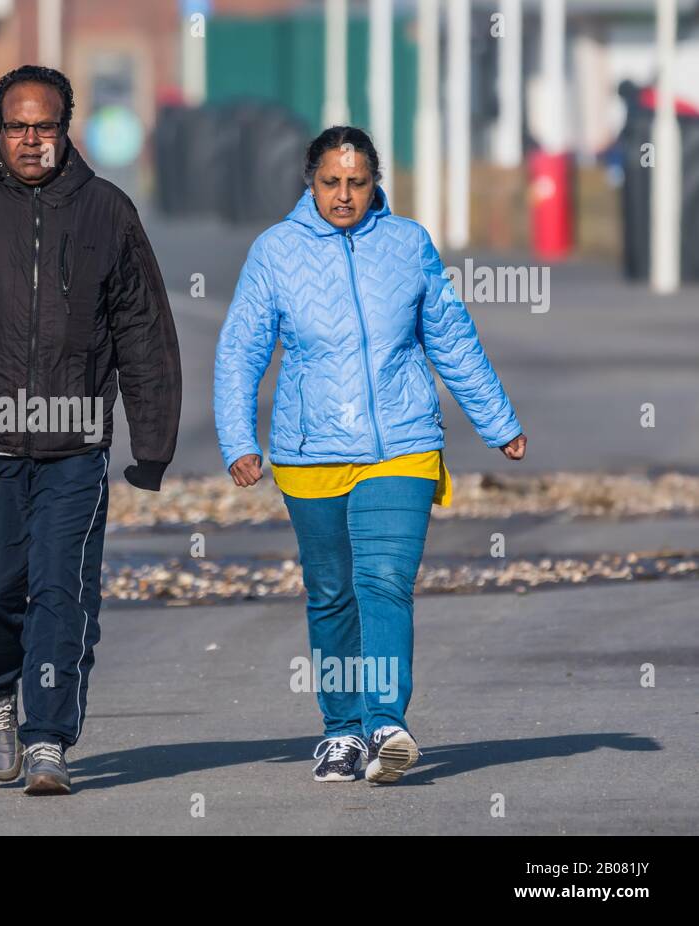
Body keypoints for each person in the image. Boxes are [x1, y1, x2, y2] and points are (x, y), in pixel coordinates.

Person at [0, 65, 182, 795]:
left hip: (76, 445)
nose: (30, 140)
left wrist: (151, 444)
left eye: (44, 127)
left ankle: (48, 737)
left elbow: (143, 329)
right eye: (17, 127)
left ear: (66, 128)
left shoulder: (108, 213)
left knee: (61, 592)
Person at [213, 126, 526, 785]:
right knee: (331, 593)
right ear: (310, 182)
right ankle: (340, 732)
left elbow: (452, 339)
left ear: (375, 182)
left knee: (382, 580)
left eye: (357, 182)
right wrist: (239, 440)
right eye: (332, 182)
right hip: (310, 450)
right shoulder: (275, 252)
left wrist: (498, 421)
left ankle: (385, 723)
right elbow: (241, 350)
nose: (345, 195)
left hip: (403, 444)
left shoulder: (407, 244)